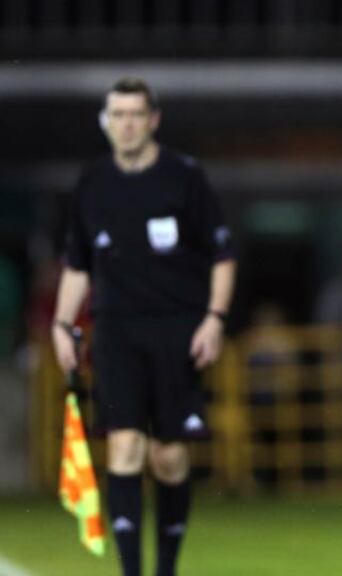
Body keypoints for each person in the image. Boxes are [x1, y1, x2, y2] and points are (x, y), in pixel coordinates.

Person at [51, 77, 236, 576]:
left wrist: (214, 319)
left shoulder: (184, 177)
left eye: (135, 114)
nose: (126, 124)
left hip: (177, 330)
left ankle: (166, 567)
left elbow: (222, 255)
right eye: (117, 115)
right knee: (125, 446)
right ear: (106, 122)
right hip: (115, 333)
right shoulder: (93, 182)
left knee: (169, 457)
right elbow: (77, 263)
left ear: (153, 120)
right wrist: (61, 324)